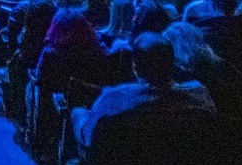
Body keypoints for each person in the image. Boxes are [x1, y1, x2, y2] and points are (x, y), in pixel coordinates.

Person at [72, 33, 214, 150]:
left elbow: (89, 137)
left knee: (78, 112)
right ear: (173, 63)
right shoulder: (199, 93)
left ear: (135, 67)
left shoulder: (114, 98)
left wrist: (79, 116)